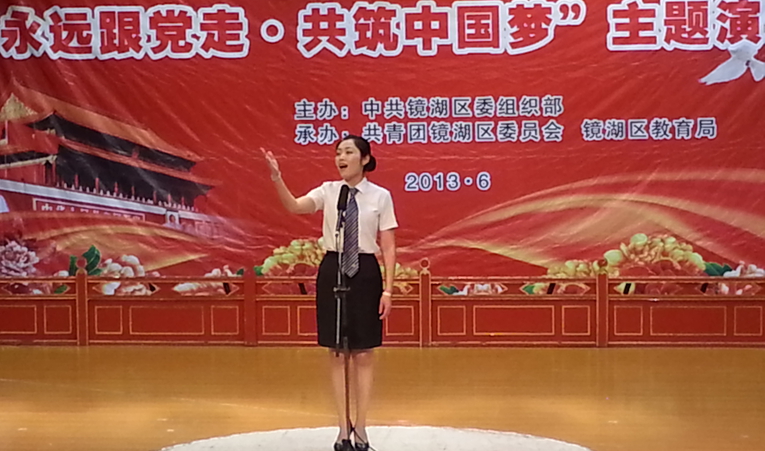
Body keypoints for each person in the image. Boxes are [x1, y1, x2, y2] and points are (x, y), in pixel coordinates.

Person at [261, 135, 397, 451]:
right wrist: (277, 177)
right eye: (338, 153)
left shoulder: (381, 196)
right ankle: (342, 430)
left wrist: (388, 290)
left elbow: (389, 246)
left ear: (365, 159)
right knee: (337, 351)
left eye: (348, 152)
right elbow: (295, 206)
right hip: (332, 268)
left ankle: (361, 428)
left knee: (363, 352)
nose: (341, 158)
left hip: (365, 271)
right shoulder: (329, 191)